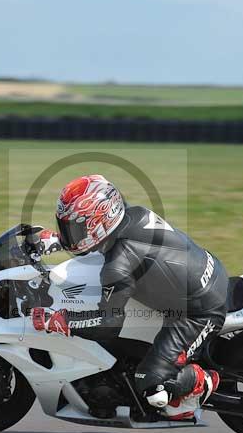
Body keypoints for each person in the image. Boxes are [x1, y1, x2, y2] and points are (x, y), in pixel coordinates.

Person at [30, 174, 229, 419]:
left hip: (199, 311)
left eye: (74, 228)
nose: (70, 233)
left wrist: (61, 321)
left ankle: (202, 381)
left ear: (99, 222)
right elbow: (101, 243)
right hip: (206, 271)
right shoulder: (134, 214)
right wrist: (59, 241)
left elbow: (107, 326)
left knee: (151, 384)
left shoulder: (118, 265)